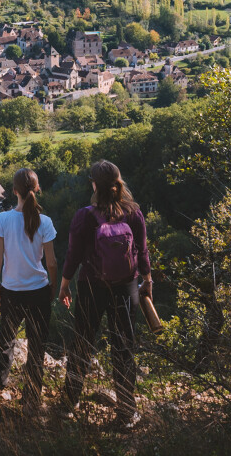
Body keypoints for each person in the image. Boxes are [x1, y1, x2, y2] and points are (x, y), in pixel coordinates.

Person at [58, 160, 152, 429]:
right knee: (124, 347)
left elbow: (73, 255)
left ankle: (69, 403)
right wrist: (148, 281)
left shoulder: (84, 216)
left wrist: (64, 285)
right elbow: (143, 251)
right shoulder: (134, 213)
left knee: (82, 343)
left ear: (94, 185)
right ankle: (126, 411)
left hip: (90, 286)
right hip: (127, 286)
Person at [0, 168, 57, 410]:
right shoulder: (45, 222)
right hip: (39, 291)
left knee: (5, 339)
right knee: (37, 345)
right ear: (37, 190)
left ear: (14, 191)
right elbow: (52, 262)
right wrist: (52, 288)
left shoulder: (3, 219)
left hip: (12, 291)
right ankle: (32, 398)